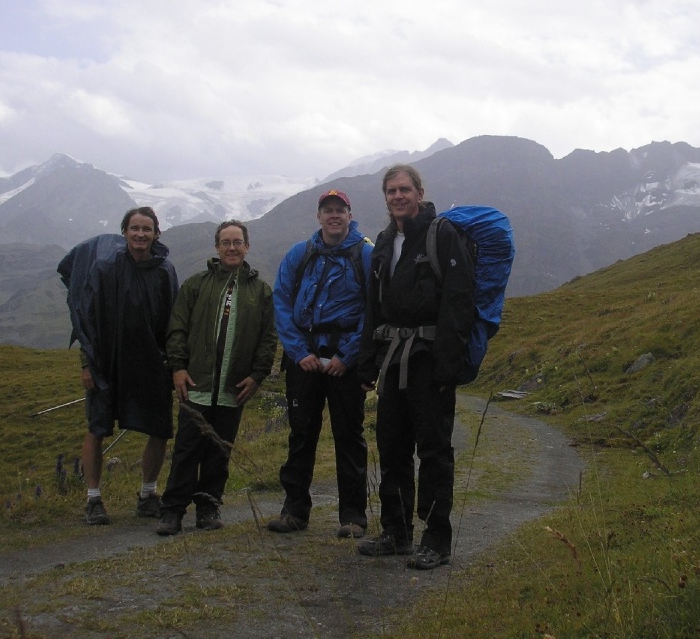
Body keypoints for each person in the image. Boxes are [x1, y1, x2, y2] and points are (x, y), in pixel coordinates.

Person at [356, 165, 475, 570]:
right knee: (391, 448)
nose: (397, 196)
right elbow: (374, 307)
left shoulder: (442, 236)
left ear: (420, 192)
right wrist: (367, 362)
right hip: (391, 360)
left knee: (434, 451)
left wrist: (448, 367)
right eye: (391, 191)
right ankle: (397, 532)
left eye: (405, 189)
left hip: (428, 362)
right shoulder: (386, 242)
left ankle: (437, 539)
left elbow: (458, 304)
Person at [58, 207, 179, 525]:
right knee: (97, 427)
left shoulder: (164, 270)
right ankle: (94, 500)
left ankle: (148, 494)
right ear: (124, 232)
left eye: (147, 229)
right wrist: (87, 363)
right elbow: (86, 316)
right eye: (135, 228)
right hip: (106, 361)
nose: (141, 234)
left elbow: (174, 322)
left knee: (159, 427)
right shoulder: (105, 267)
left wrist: (174, 364)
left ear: (156, 234)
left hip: (151, 362)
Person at [156, 220, 278, 535]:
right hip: (195, 384)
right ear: (217, 247)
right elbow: (177, 328)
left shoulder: (261, 291)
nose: (232, 247)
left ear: (247, 246)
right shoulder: (196, 284)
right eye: (226, 242)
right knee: (186, 449)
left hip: (234, 387)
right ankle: (172, 512)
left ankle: (208, 507)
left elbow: (268, 338)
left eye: (238, 241)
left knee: (219, 449)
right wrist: (178, 367)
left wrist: (257, 375)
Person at [267, 189, 372, 539]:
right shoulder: (300, 253)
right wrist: (299, 352)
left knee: (349, 436)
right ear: (319, 216)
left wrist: (349, 355)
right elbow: (282, 302)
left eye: (339, 210)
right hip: (305, 359)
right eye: (327, 210)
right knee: (301, 434)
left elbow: (375, 309)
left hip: (345, 361)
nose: (334, 216)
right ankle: (294, 511)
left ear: (349, 213)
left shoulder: (365, 254)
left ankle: (353, 516)